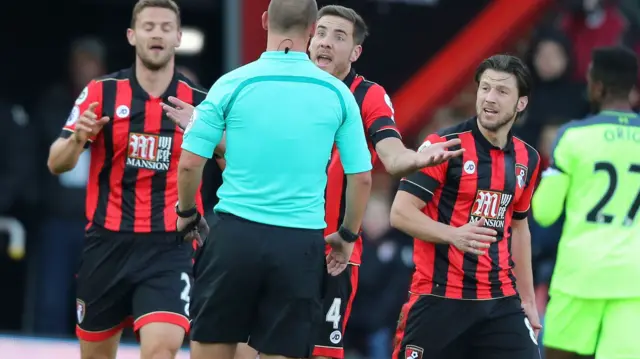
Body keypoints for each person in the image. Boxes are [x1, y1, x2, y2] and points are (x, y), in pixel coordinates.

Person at [229, 5, 464, 359]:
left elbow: (392, 154)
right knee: (250, 349)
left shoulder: (368, 96)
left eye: (339, 37)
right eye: (320, 33)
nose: (325, 42)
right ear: (309, 39)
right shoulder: (284, 82)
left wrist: (411, 159)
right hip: (276, 239)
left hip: (334, 251)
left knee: (319, 353)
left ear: (355, 52)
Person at [46, 1, 212, 358]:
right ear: (132, 35)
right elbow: (55, 162)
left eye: (166, 27)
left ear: (178, 37)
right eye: (149, 26)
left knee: (160, 350)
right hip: (106, 244)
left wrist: (211, 135)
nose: (157, 34)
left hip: (170, 246)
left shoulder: (199, 103)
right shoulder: (100, 92)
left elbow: (238, 164)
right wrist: (78, 139)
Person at [389, 54, 542, 359]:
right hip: (438, 298)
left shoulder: (528, 158)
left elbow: (519, 226)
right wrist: (453, 235)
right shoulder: (444, 145)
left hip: (501, 301)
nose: (489, 98)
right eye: (484, 88)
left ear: (520, 103)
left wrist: (527, 298)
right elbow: (400, 213)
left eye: (501, 91)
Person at [533, 46, 640, 359]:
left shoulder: (573, 136)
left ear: (597, 86)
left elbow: (544, 211)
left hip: (579, 274)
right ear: (632, 88)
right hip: (633, 280)